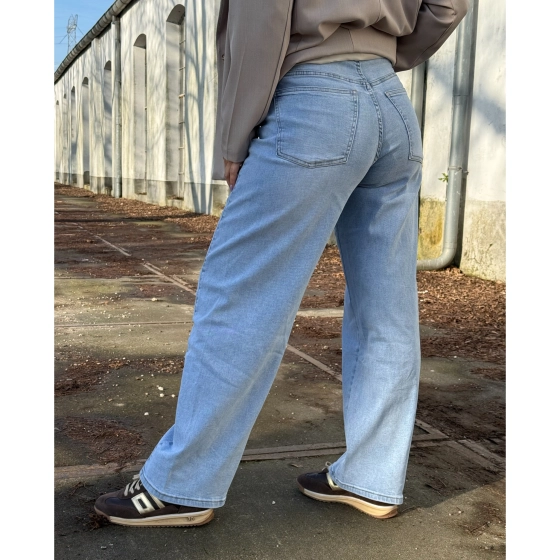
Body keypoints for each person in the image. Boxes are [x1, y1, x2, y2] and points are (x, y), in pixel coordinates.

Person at [94, 0, 468, 527]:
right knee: (386, 306)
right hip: (391, 106)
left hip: (312, 100)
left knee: (240, 295)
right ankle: (372, 477)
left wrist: (236, 134)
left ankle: (183, 485)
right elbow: (450, 4)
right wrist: (385, 50)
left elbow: (261, 16)